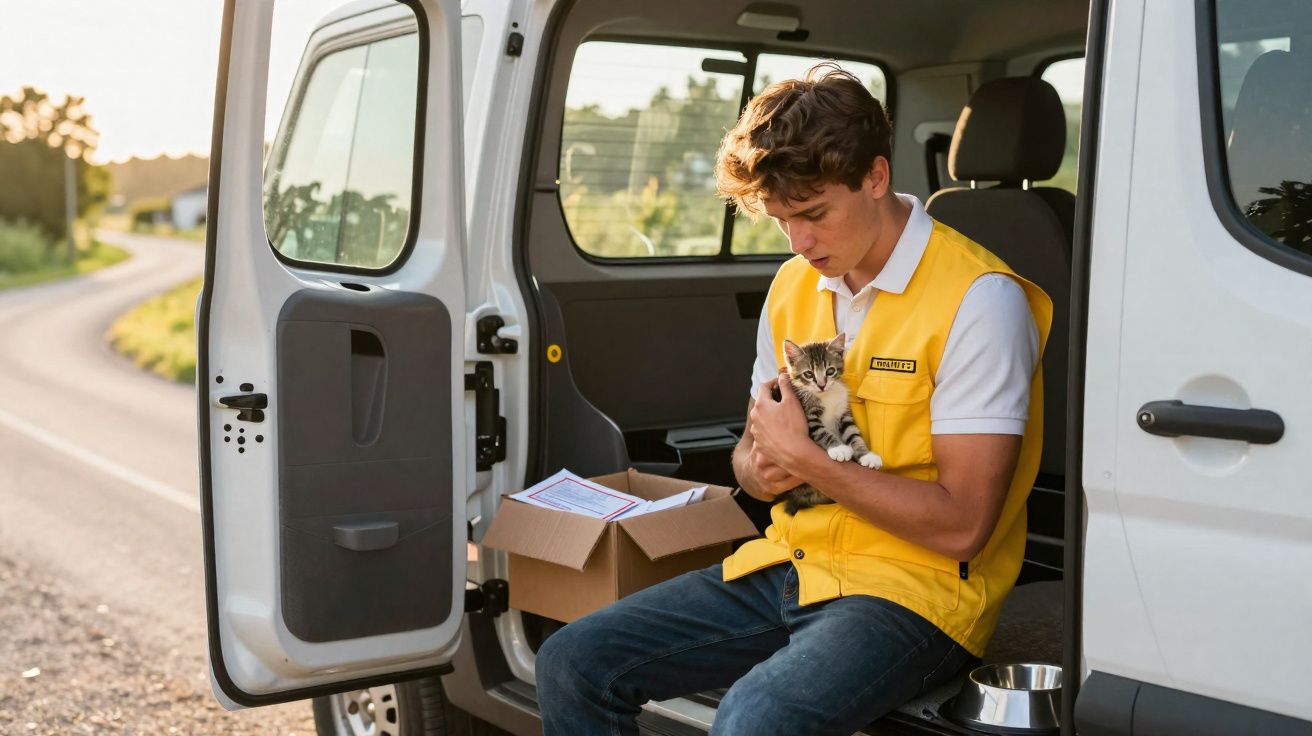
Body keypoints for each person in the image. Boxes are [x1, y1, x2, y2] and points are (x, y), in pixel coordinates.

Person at [535, 63, 1052, 736]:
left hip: (917, 593)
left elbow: (963, 526)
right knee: (572, 661)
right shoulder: (793, 288)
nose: (799, 243)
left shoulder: (979, 300)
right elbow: (753, 467)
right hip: (794, 562)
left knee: (756, 719)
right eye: (781, 220)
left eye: (813, 215)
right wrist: (766, 465)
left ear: (875, 176)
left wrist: (808, 464)